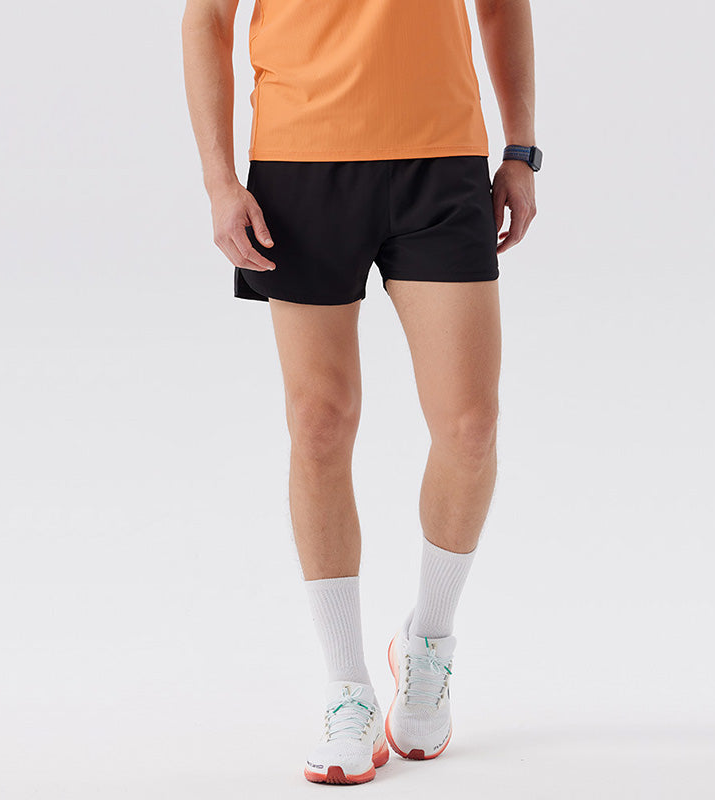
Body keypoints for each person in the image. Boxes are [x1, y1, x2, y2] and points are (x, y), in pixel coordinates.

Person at [181, 0, 540, 785]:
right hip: (301, 161)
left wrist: (520, 149)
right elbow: (206, 18)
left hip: (441, 159)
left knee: (471, 427)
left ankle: (428, 645)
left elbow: (501, 6)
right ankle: (347, 688)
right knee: (318, 424)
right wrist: (218, 180)